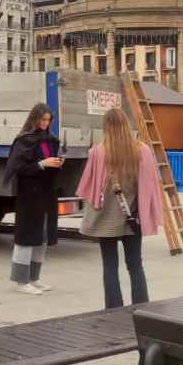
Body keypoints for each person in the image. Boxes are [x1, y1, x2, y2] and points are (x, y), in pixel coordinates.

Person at [76, 108, 164, 308]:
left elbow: (87, 188)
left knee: (110, 266)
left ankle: (113, 309)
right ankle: (141, 307)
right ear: (126, 124)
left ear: (106, 126)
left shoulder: (98, 151)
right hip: (133, 218)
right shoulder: (142, 150)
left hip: (105, 220)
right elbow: (150, 186)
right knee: (135, 265)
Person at [2, 103, 61, 295]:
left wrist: (57, 164)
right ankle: (21, 281)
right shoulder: (24, 140)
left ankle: (34, 278)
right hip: (29, 194)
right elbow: (18, 169)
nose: (45, 123)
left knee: (41, 237)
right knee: (26, 237)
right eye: (42, 119)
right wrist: (42, 164)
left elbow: (48, 166)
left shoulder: (51, 140)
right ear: (34, 119)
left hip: (46, 193)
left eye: (48, 120)